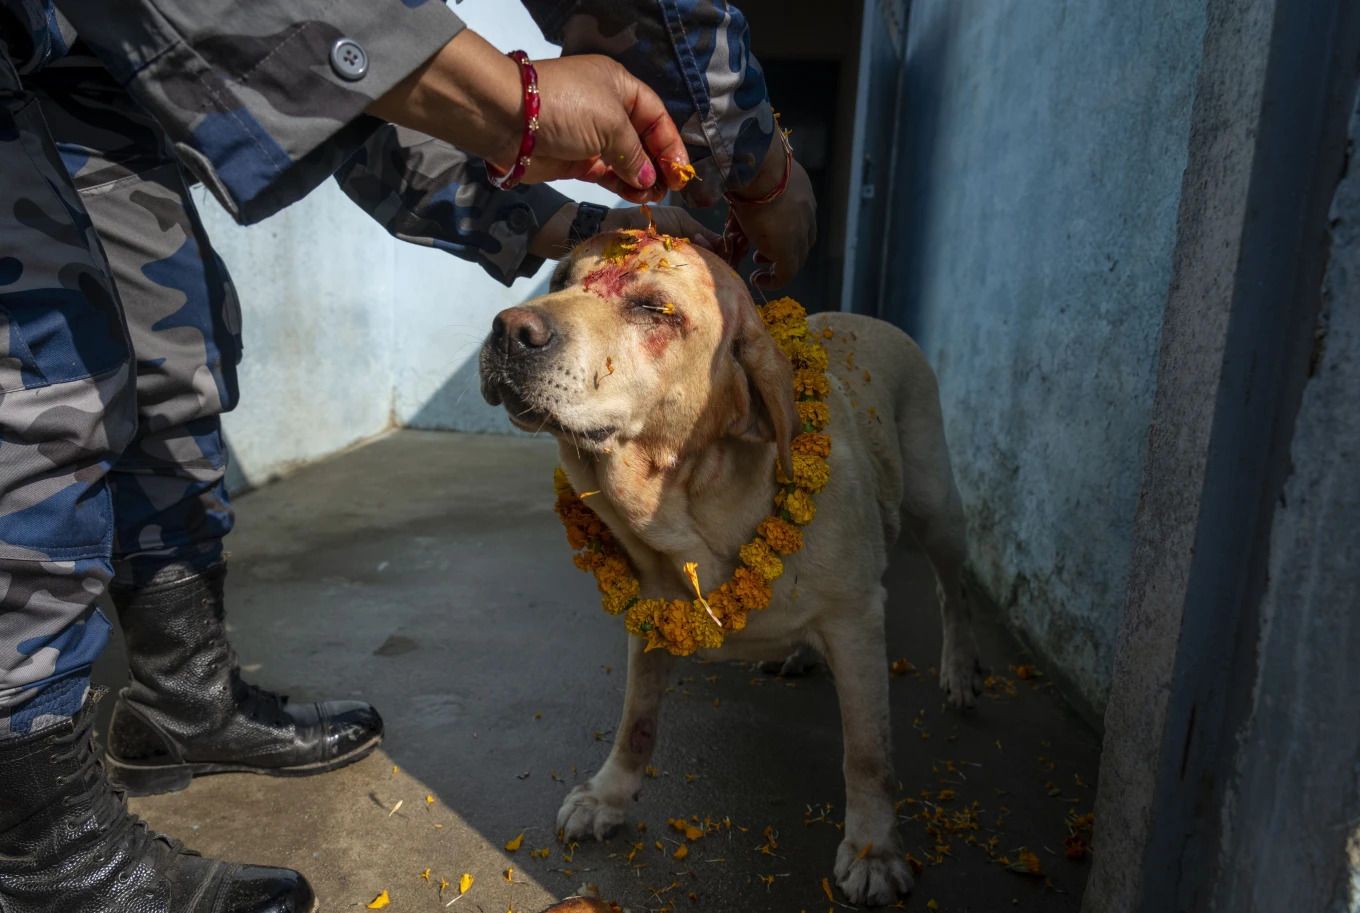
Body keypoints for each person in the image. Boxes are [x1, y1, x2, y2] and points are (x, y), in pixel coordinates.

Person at [0, 2, 816, 912]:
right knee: (42, 374)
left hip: (91, 76)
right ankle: (44, 847)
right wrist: (749, 169)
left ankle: (183, 700)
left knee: (170, 349)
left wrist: (569, 202)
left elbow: (347, 102)